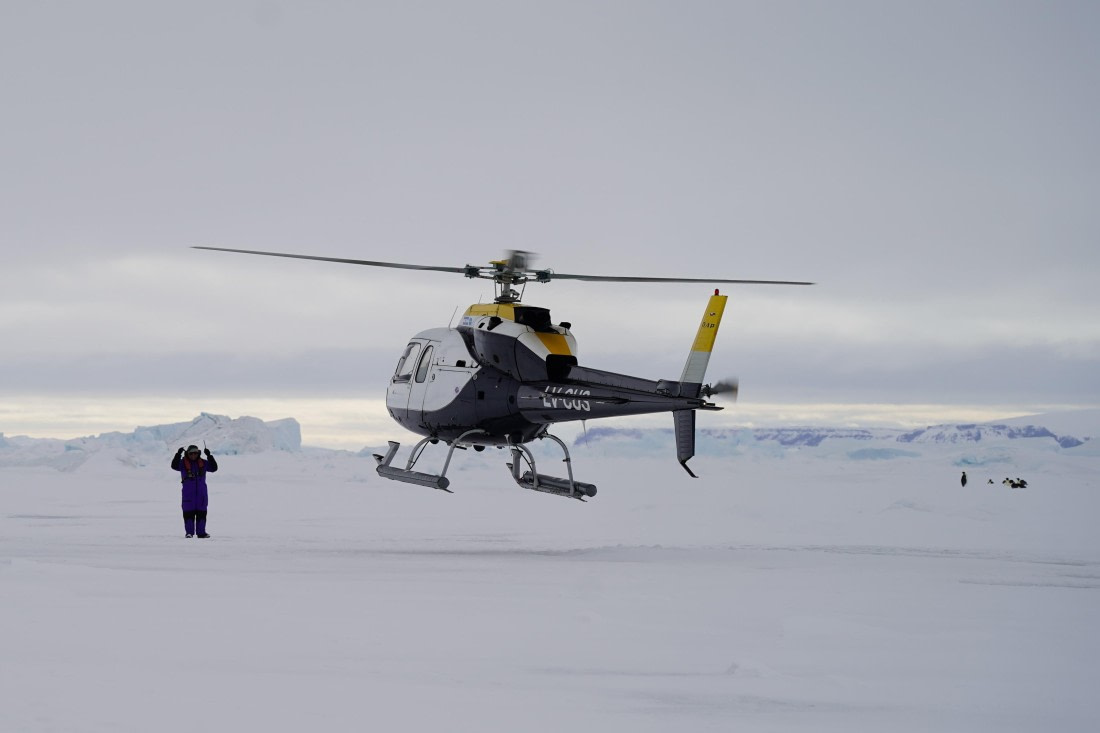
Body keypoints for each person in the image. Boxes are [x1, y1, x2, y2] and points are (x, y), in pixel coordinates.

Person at [171, 444, 218, 538]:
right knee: (188, 514)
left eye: (195, 453)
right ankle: (189, 533)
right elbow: (174, 466)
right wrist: (178, 454)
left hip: (201, 495)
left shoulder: (204, 463)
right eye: (191, 453)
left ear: (198, 453)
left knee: (201, 514)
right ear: (187, 453)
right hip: (188, 495)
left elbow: (214, 468)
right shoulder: (182, 464)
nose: (193, 455)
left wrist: (209, 455)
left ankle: (201, 533)